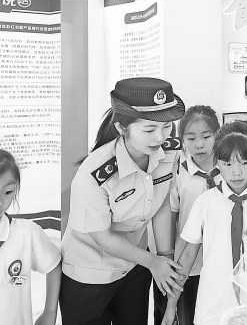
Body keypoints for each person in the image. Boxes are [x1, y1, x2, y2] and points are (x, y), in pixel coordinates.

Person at [60, 77, 185, 325]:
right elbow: (102, 237)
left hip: (134, 265)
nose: (160, 137)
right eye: (149, 130)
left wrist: (164, 258)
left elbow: (160, 203)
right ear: (121, 127)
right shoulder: (94, 173)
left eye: (167, 127)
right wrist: (153, 262)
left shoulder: (169, 151)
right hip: (90, 273)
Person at [162, 132, 247, 325]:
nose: (237, 172)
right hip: (215, 300)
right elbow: (188, 255)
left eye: (244, 163)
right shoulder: (206, 201)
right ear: (217, 164)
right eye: (228, 164)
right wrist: (171, 305)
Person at [169, 106, 220, 325]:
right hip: (188, 265)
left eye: (206, 137)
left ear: (218, 134)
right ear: (182, 140)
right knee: (188, 316)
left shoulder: (230, 169)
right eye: (191, 138)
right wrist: (170, 255)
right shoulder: (177, 172)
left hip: (221, 261)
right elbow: (171, 215)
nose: (199, 144)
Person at [0, 149, 61, 325]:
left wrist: (50, 312)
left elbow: (54, 265)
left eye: (8, 192)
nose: (0, 202)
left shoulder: (26, 233)